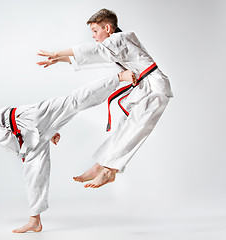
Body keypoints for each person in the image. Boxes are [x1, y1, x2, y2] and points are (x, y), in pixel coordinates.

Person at [0, 70, 135, 233]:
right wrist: (47, 133)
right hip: (32, 131)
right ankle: (34, 220)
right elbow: (11, 136)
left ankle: (118, 77)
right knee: (33, 174)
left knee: (74, 101)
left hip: (32, 120)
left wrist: (26, 148)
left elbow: (6, 139)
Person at [37, 8, 173, 189]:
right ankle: (101, 165)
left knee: (135, 129)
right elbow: (94, 57)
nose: (93, 35)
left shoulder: (121, 39)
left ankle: (110, 170)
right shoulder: (117, 44)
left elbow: (94, 51)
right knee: (125, 127)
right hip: (144, 89)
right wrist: (59, 59)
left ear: (107, 28)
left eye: (95, 30)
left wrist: (58, 53)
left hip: (155, 89)